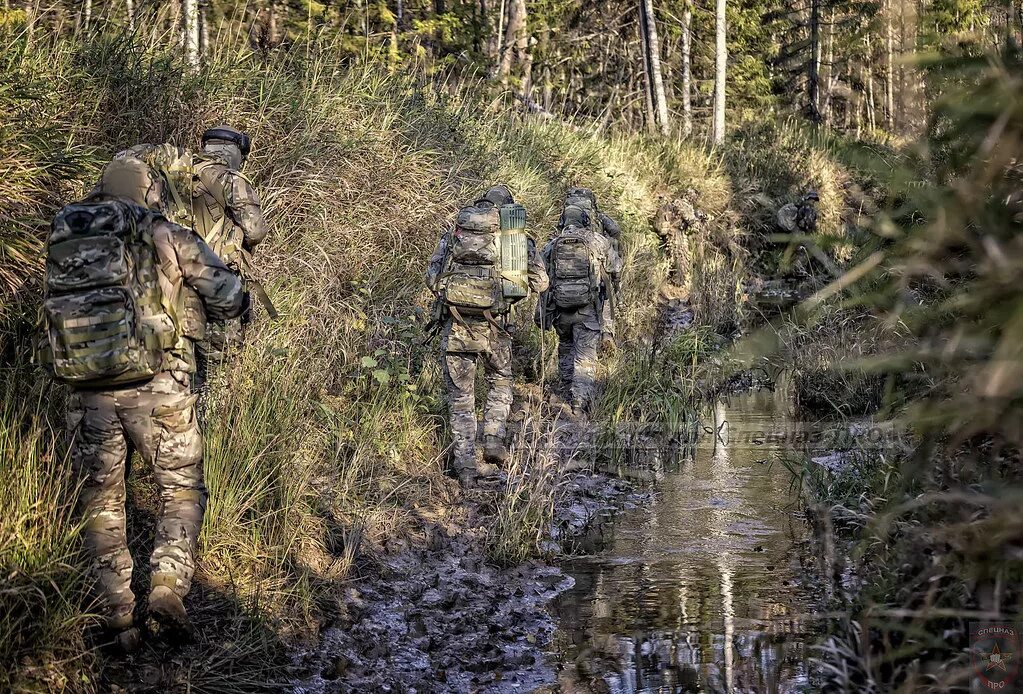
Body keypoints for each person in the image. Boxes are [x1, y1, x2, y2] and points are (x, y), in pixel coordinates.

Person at [39, 158, 248, 651]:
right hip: (160, 386)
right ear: (148, 192)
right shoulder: (162, 231)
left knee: (100, 499)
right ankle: (166, 587)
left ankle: (116, 617)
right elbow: (226, 292)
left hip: (87, 391)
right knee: (180, 488)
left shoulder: (67, 232)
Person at [116, 127, 269, 391]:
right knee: (216, 363)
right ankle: (206, 415)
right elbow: (256, 230)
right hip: (214, 284)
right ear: (235, 152)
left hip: (167, 281)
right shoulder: (231, 179)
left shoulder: (173, 172)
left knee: (172, 358)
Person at [425, 185, 549, 486]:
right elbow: (541, 283)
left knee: (460, 398)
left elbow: (432, 278)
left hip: (457, 328)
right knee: (500, 381)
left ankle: (465, 465)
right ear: (507, 211)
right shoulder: (514, 236)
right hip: (497, 329)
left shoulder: (454, 234)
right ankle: (493, 441)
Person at [538, 209, 623, 418]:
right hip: (588, 310)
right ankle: (578, 403)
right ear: (586, 221)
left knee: (566, 347)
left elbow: (542, 275)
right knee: (585, 357)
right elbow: (615, 266)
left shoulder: (552, 243)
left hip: (561, 311)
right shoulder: (598, 241)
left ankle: (565, 391)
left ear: (562, 222)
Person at [559, 188, 621, 350]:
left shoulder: (566, 220)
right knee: (606, 299)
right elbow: (615, 230)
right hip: (598, 268)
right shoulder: (597, 217)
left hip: (566, 279)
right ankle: (607, 333)